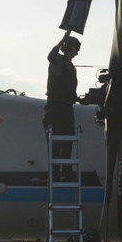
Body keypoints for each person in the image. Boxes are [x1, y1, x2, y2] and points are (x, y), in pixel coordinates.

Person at [43, 30, 81, 181]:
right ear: (70, 47)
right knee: (56, 141)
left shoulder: (72, 67)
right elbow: (50, 56)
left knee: (68, 139)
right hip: (55, 107)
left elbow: (70, 89)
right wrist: (63, 39)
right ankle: (55, 173)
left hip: (66, 107)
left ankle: (66, 170)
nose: (78, 51)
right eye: (76, 47)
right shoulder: (58, 60)